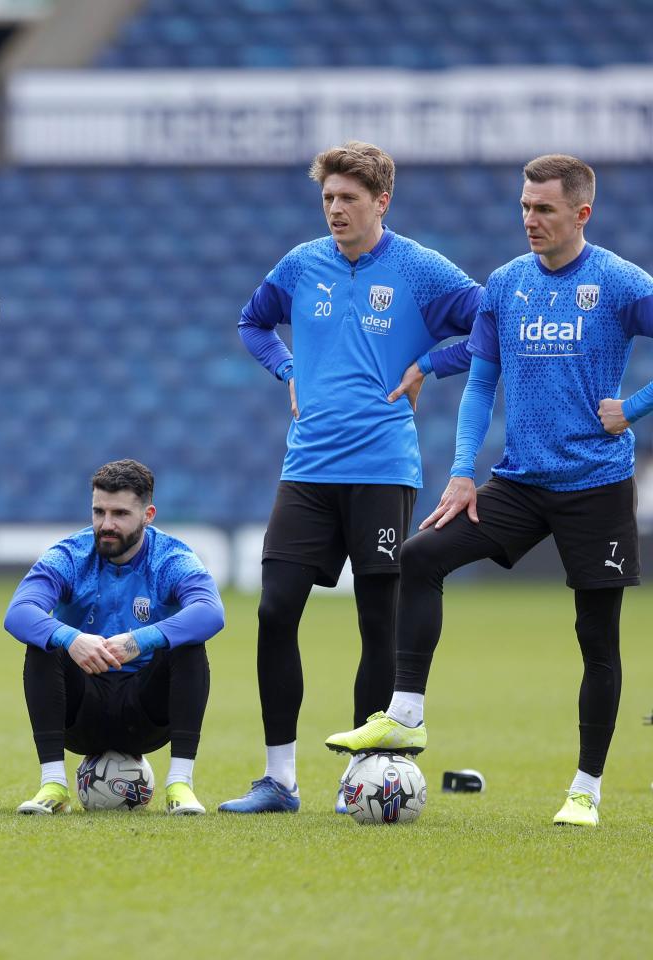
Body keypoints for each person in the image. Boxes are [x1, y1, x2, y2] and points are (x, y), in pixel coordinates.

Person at [326, 154, 653, 827]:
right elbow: (479, 382)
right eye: (524, 207)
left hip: (597, 485)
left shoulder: (618, 283)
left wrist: (635, 406)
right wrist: (463, 471)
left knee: (598, 637)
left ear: (581, 214)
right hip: (521, 481)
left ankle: (585, 790)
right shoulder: (506, 285)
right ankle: (407, 714)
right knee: (419, 556)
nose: (529, 219)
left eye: (544, 209)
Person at [223, 141, 483, 815]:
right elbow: (253, 323)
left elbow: (491, 324)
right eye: (328, 199)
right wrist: (288, 371)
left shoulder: (420, 269)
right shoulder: (301, 264)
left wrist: (430, 363)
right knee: (275, 609)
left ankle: (365, 780)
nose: (335, 210)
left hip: (381, 469)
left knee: (378, 624)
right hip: (306, 467)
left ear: (381, 202)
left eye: (348, 199)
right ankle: (279, 781)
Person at [3, 460, 224, 815]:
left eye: (120, 513)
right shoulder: (70, 555)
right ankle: (53, 784)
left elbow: (211, 611)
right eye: (99, 512)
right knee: (44, 642)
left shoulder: (171, 557)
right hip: (80, 713)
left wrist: (140, 640)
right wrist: (72, 638)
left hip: (146, 715)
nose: (106, 524)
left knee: (188, 643)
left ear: (148, 514)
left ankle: (181, 785)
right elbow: (18, 612)